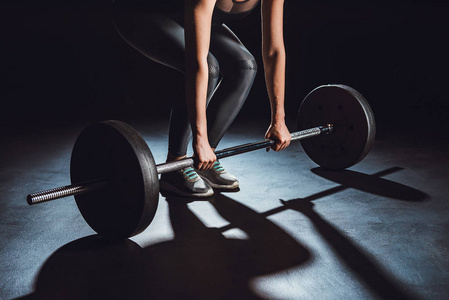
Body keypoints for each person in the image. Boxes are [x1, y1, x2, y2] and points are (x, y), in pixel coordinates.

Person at [112, 0, 291, 198]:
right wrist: (200, 138)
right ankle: (175, 165)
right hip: (143, 13)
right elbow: (197, 65)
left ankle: (205, 162)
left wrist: (278, 120)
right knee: (209, 67)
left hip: (188, 16)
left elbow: (274, 51)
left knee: (245, 66)